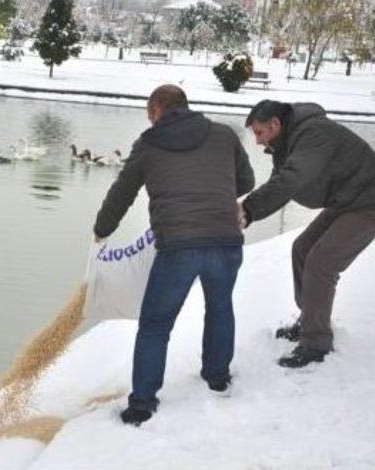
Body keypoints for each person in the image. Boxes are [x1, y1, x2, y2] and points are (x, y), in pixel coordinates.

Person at [93, 84, 255, 425]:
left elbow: (122, 193)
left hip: (178, 246)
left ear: (156, 110)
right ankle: (217, 377)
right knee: (221, 307)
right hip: (226, 239)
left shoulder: (148, 145)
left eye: (149, 114)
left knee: (155, 324)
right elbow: (246, 181)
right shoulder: (225, 135)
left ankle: (142, 404)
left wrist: (101, 230)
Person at [240, 100, 375, 368]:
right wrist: (248, 211)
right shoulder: (286, 141)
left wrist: (248, 209)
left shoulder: (313, 134)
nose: (257, 141)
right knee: (302, 249)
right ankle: (310, 319)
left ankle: (316, 343)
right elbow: (280, 185)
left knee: (321, 262)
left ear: (275, 124)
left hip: (368, 201)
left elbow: (293, 179)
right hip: (347, 200)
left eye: (259, 132)